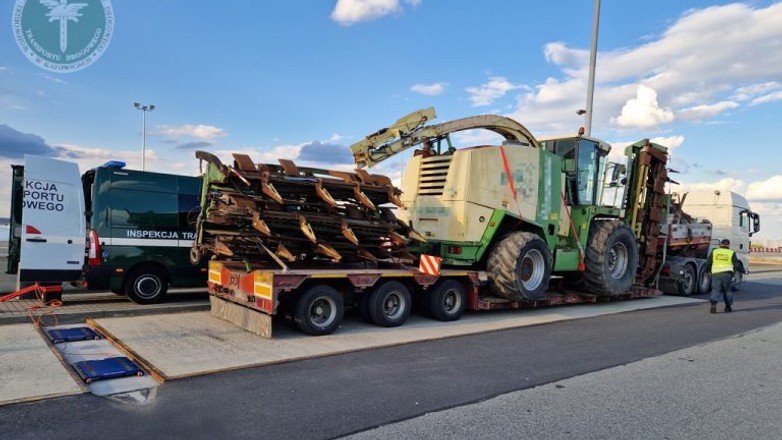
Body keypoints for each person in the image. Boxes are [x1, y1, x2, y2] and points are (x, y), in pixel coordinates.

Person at [704, 238, 746, 313]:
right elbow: (736, 264)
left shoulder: (715, 251)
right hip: (727, 274)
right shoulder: (731, 252)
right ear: (729, 245)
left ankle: (713, 305)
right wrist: (743, 271)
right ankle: (728, 307)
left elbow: (708, 262)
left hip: (716, 273)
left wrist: (707, 270)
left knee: (715, 289)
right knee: (727, 290)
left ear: (721, 244)